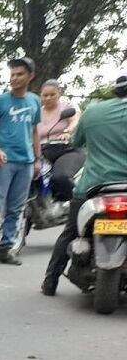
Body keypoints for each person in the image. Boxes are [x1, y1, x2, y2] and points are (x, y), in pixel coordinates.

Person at [41, 74, 127, 296]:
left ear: (114, 91)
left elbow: (76, 142)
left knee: (70, 232)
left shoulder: (93, 112)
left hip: (94, 186)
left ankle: (50, 283)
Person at [0, 57, 42, 267]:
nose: (14, 78)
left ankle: (6, 248)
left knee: (16, 208)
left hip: (26, 162)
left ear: (31, 76)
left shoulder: (34, 101)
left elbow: (35, 131)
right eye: (12, 74)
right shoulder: (0, 101)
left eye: (20, 74)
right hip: (4, 162)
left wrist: (38, 159)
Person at [38, 80, 81, 145]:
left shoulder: (68, 106)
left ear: (59, 93)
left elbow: (75, 120)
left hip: (61, 147)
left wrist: (67, 131)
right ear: (41, 96)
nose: (48, 98)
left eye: (52, 95)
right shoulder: (36, 113)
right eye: (45, 95)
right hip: (39, 149)